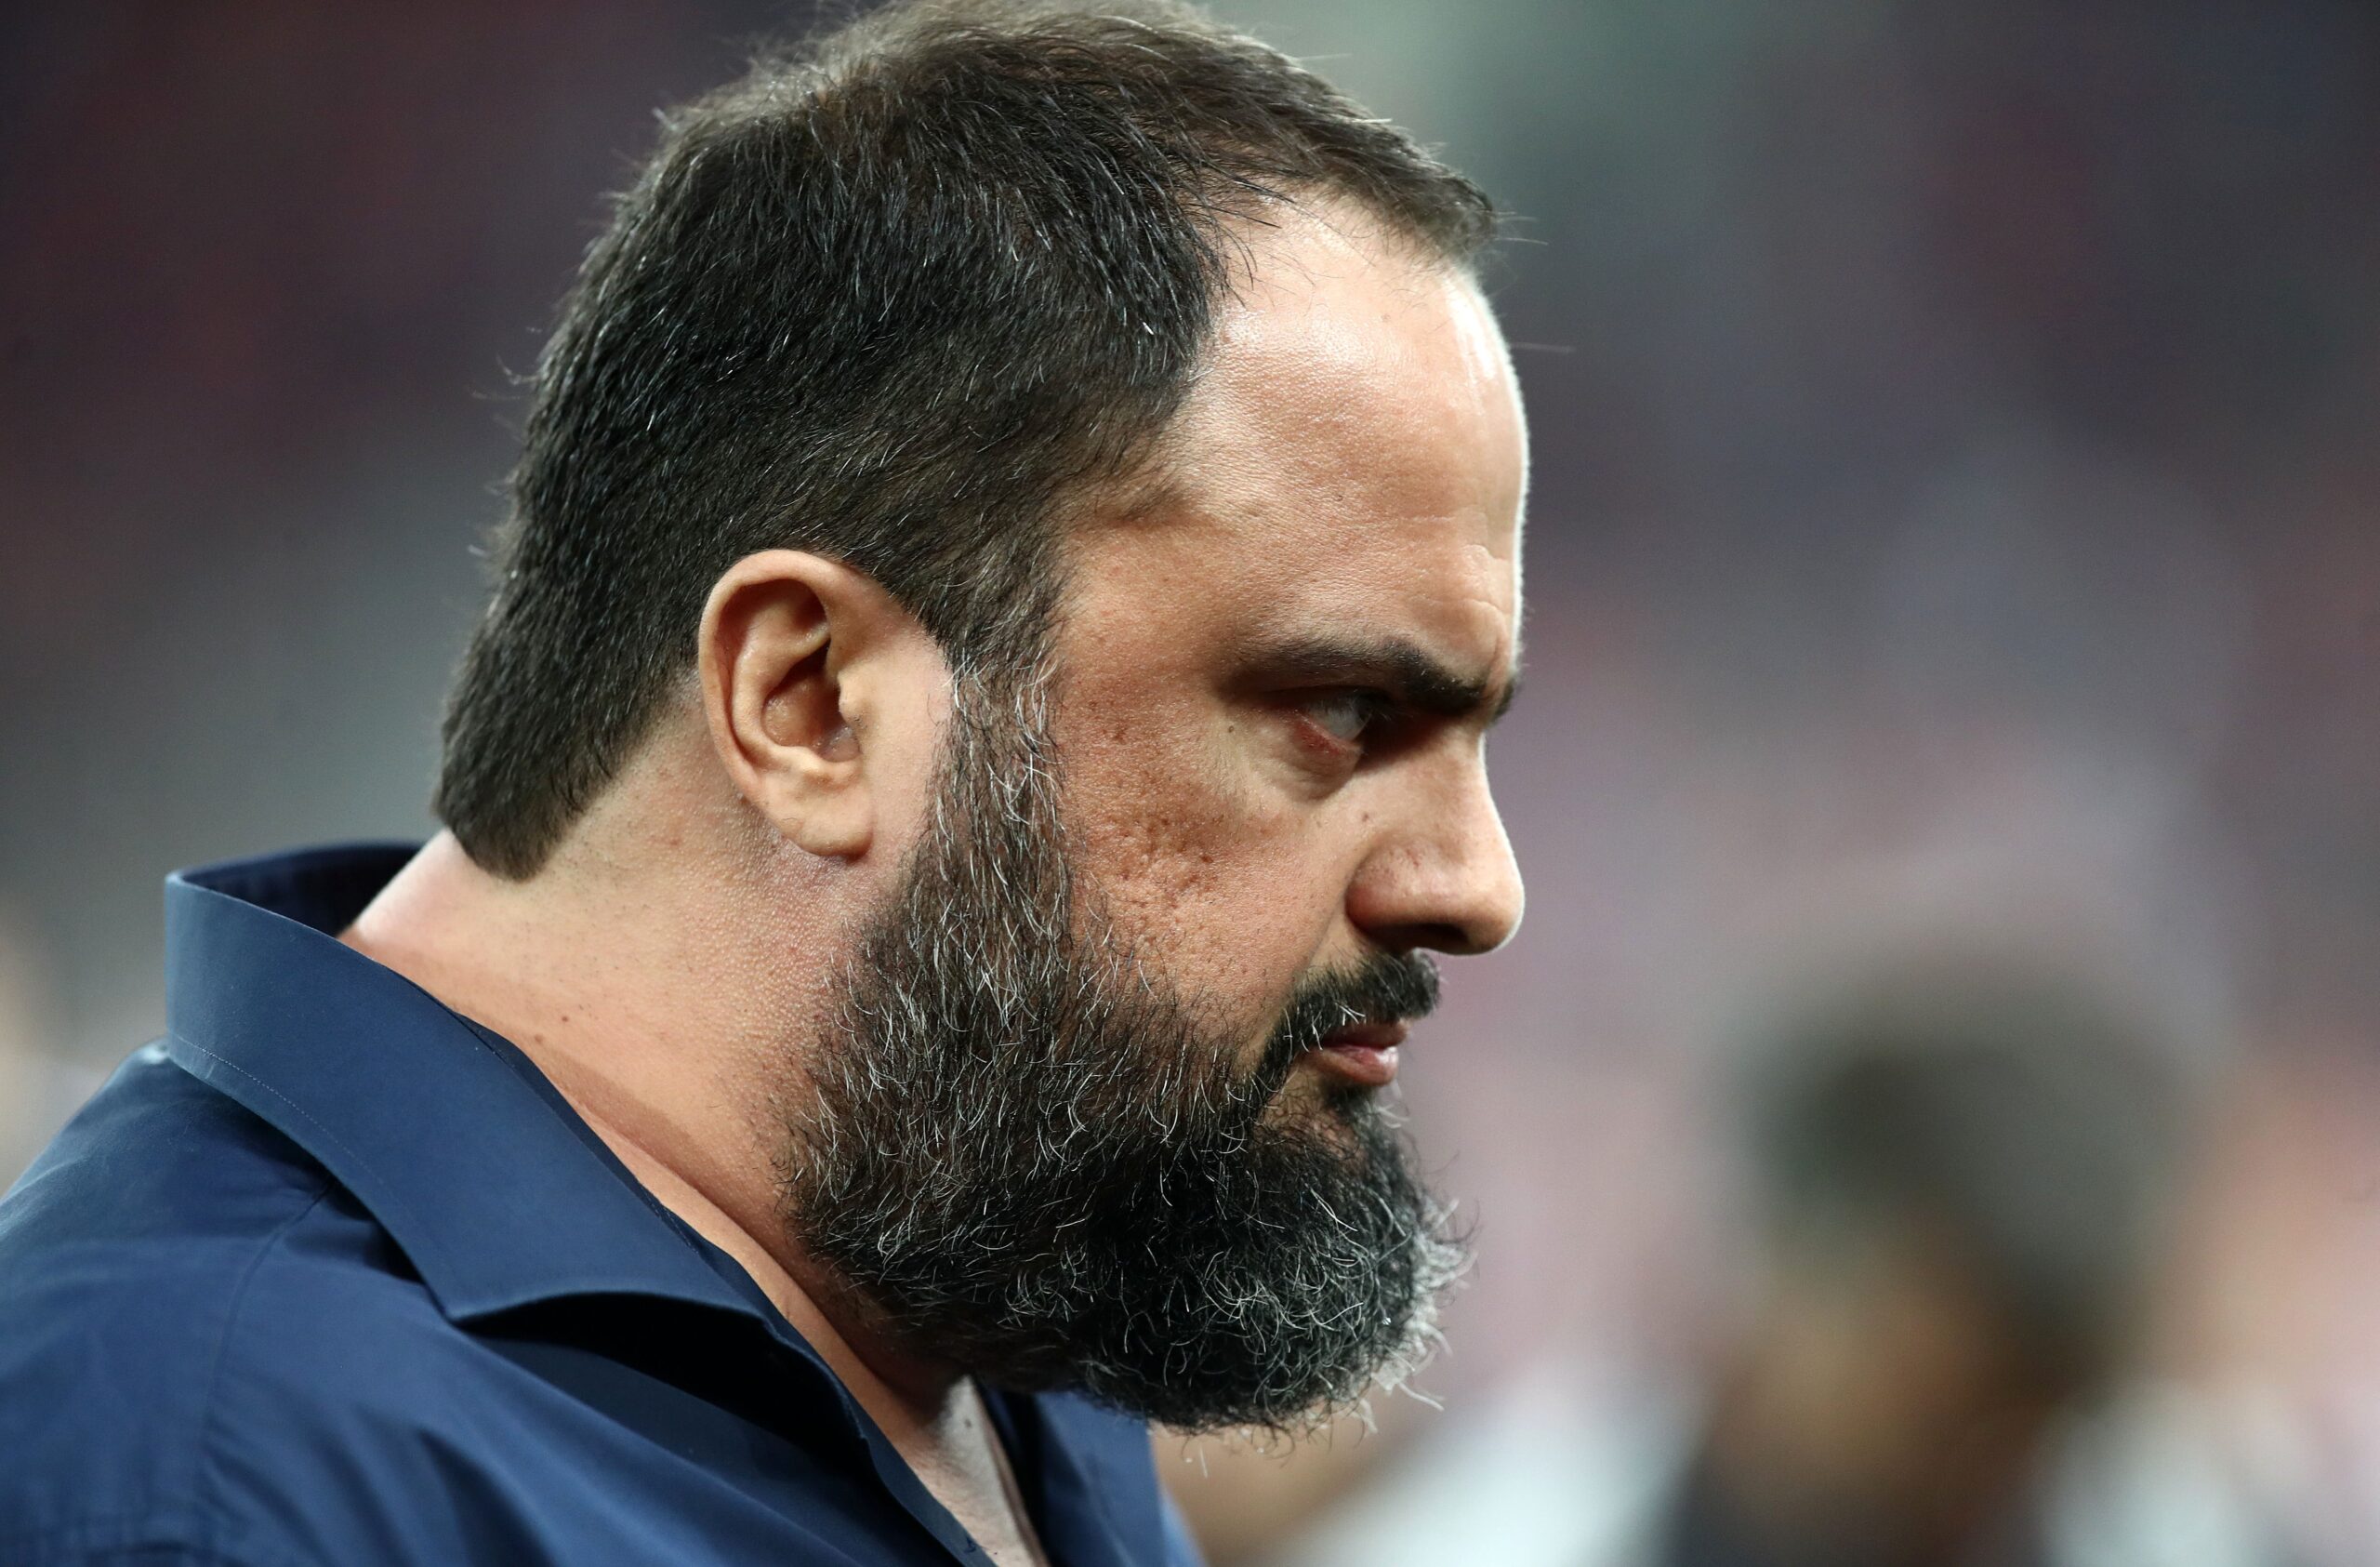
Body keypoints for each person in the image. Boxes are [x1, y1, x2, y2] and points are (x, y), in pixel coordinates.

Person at [0, 3, 1527, 1563]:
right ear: (808, 701)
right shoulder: (205, 1479)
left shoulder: (985, 1316)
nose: (1480, 887)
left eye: (1476, 731)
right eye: (1345, 711)